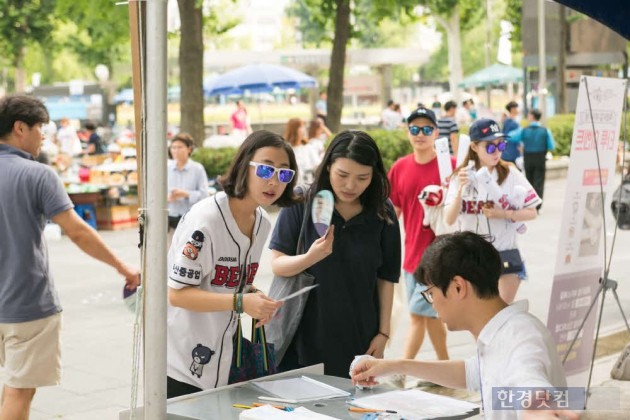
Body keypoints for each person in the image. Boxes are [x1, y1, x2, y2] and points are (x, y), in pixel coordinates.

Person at [0, 95, 140, 419]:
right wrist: (123, 266)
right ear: (20, 128)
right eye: (40, 128)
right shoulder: (37, 175)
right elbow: (77, 232)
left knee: (12, 389)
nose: (44, 137)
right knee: (20, 391)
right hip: (27, 305)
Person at [350, 231, 575, 420]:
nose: (433, 304)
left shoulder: (521, 337)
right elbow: (471, 372)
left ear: (458, 287)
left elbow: (528, 381)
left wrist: (537, 409)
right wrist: (393, 366)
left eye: (431, 293)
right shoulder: (499, 333)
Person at [166, 130, 299, 398]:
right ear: (244, 165)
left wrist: (254, 297)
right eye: (265, 169)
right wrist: (240, 302)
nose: (273, 181)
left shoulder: (262, 223)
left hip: (226, 357)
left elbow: (238, 284)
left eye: (284, 174)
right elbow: (177, 294)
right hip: (180, 361)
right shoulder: (206, 220)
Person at [269, 130, 401, 377]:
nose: (351, 185)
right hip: (300, 337)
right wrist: (310, 257)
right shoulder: (301, 201)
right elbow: (277, 265)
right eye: (342, 175)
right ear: (328, 166)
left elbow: (387, 277)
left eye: (363, 177)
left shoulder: (383, 212)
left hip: (359, 336)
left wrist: (383, 333)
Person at [444, 118, 540, 304]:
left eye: (501, 145)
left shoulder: (510, 172)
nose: (496, 152)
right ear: (474, 147)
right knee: (479, 322)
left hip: (505, 253)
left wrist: (503, 214)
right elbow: (449, 219)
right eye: (490, 147)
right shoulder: (460, 176)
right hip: (472, 258)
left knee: (501, 316)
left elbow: (532, 212)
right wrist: (461, 190)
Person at [387, 107, 451, 388]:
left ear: (436, 132)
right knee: (432, 318)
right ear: (407, 132)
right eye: (415, 129)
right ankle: (447, 371)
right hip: (411, 258)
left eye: (427, 129)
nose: (421, 134)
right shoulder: (399, 168)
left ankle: (400, 372)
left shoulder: (449, 166)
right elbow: (393, 213)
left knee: (417, 315)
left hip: (441, 260)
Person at [510, 109, 555, 211]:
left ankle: (530, 204)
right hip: (540, 158)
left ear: (532, 116)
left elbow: (512, 137)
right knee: (539, 181)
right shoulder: (545, 130)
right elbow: (551, 146)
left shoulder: (524, 130)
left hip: (528, 157)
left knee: (529, 181)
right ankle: (538, 206)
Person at [167, 132, 209, 236]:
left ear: (189, 149)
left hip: (191, 219)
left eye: (180, 147)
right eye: (173, 147)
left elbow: (205, 196)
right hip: (169, 219)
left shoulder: (197, 169)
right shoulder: (165, 168)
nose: (176, 151)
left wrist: (186, 194)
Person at [284, 118, 321, 185]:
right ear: (294, 130)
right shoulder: (286, 149)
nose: (304, 129)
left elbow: (318, 166)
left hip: (307, 187)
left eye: (304, 127)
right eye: (301, 127)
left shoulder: (308, 147)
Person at [501, 101, 522, 165]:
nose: (519, 110)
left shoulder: (511, 121)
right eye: (517, 108)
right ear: (513, 109)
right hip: (510, 152)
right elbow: (506, 136)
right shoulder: (509, 122)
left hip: (510, 152)